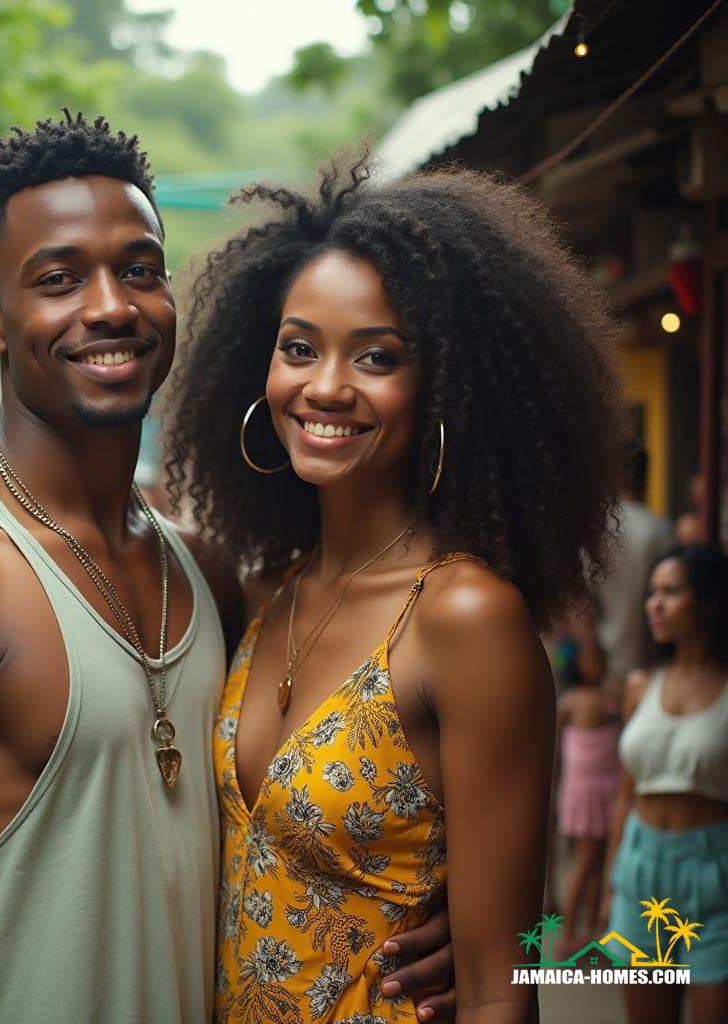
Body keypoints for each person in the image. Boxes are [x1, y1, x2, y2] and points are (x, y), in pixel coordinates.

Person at [0, 114, 455, 1023]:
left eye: (139, 269)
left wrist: (462, 925)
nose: (110, 306)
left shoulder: (199, 568)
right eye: (58, 279)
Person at [163, 159, 624, 1021]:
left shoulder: (464, 617)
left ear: (447, 386)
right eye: (299, 347)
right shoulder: (273, 594)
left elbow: (500, 989)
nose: (326, 386)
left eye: (377, 357)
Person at [605, 545, 728, 1024]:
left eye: (671, 592)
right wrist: (610, 886)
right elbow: (625, 793)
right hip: (640, 870)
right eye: (652, 592)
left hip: (713, 877)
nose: (653, 604)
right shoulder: (641, 684)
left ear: (710, 602)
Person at [554, 648, 621, 953]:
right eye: (593, 657)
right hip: (583, 790)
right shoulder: (573, 701)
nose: (600, 662)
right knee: (584, 861)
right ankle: (567, 936)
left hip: (609, 788)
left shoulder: (612, 696)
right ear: (578, 663)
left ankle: (592, 931)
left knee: (596, 863)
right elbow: (554, 747)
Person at [593, 448, 674, 688]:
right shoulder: (659, 530)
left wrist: (588, 651)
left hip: (603, 662)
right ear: (646, 477)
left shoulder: (597, 530)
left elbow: (581, 601)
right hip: (649, 660)